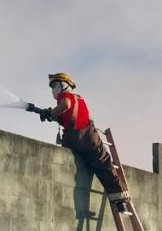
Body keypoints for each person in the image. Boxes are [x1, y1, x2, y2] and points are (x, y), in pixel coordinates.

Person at [32, 73, 129, 212]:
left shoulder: (65, 96)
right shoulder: (79, 99)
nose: (53, 89)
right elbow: (71, 115)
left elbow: (65, 105)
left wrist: (51, 114)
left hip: (72, 138)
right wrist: (51, 114)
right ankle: (121, 202)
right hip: (89, 137)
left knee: (77, 168)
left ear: (64, 84)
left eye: (54, 85)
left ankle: (77, 208)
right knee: (104, 165)